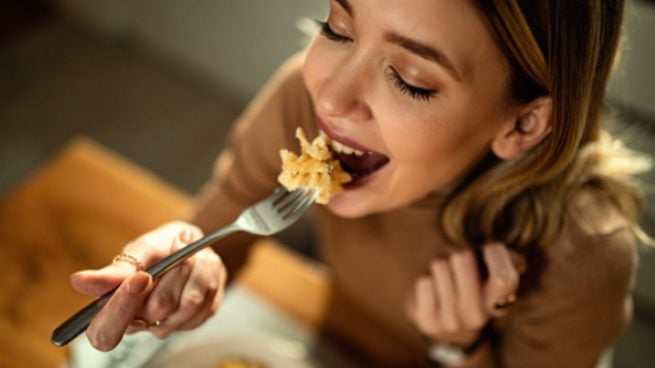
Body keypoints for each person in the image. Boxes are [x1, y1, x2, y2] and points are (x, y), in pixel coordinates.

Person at [69, 0, 651, 366]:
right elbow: (224, 225)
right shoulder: (303, 93)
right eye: (338, 27)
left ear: (523, 121)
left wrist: (465, 350)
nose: (329, 96)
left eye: (411, 79)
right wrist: (187, 259)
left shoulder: (582, 249)